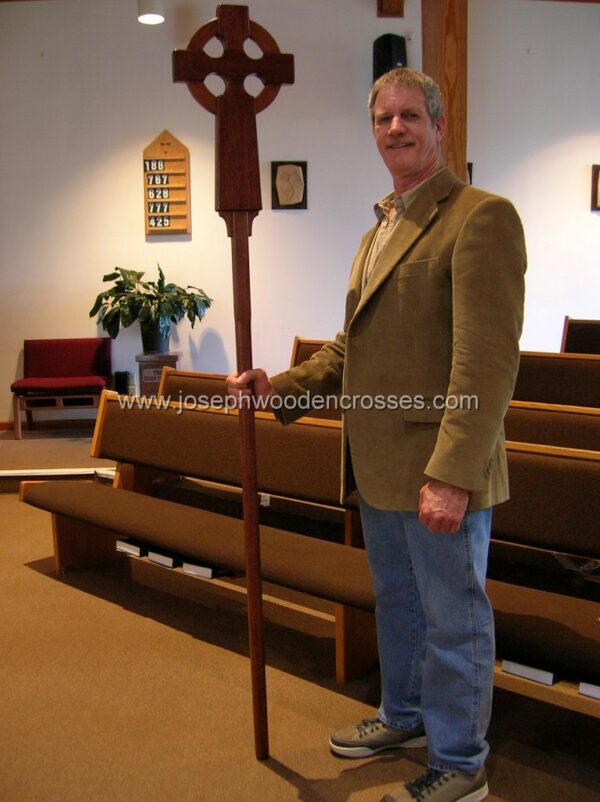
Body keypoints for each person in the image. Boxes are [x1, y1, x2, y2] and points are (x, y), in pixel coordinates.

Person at [227, 68, 526, 802]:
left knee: (453, 620)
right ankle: (406, 714)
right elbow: (348, 350)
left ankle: (460, 761)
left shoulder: (479, 216)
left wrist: (453, 472)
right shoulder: (378, 230)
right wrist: (280, 390)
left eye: (410, 116)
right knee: (398, 605)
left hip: (437, 467)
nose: (396, 128)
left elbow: (484, 364)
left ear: (439, 125)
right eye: (383, 118)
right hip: (379, 463)